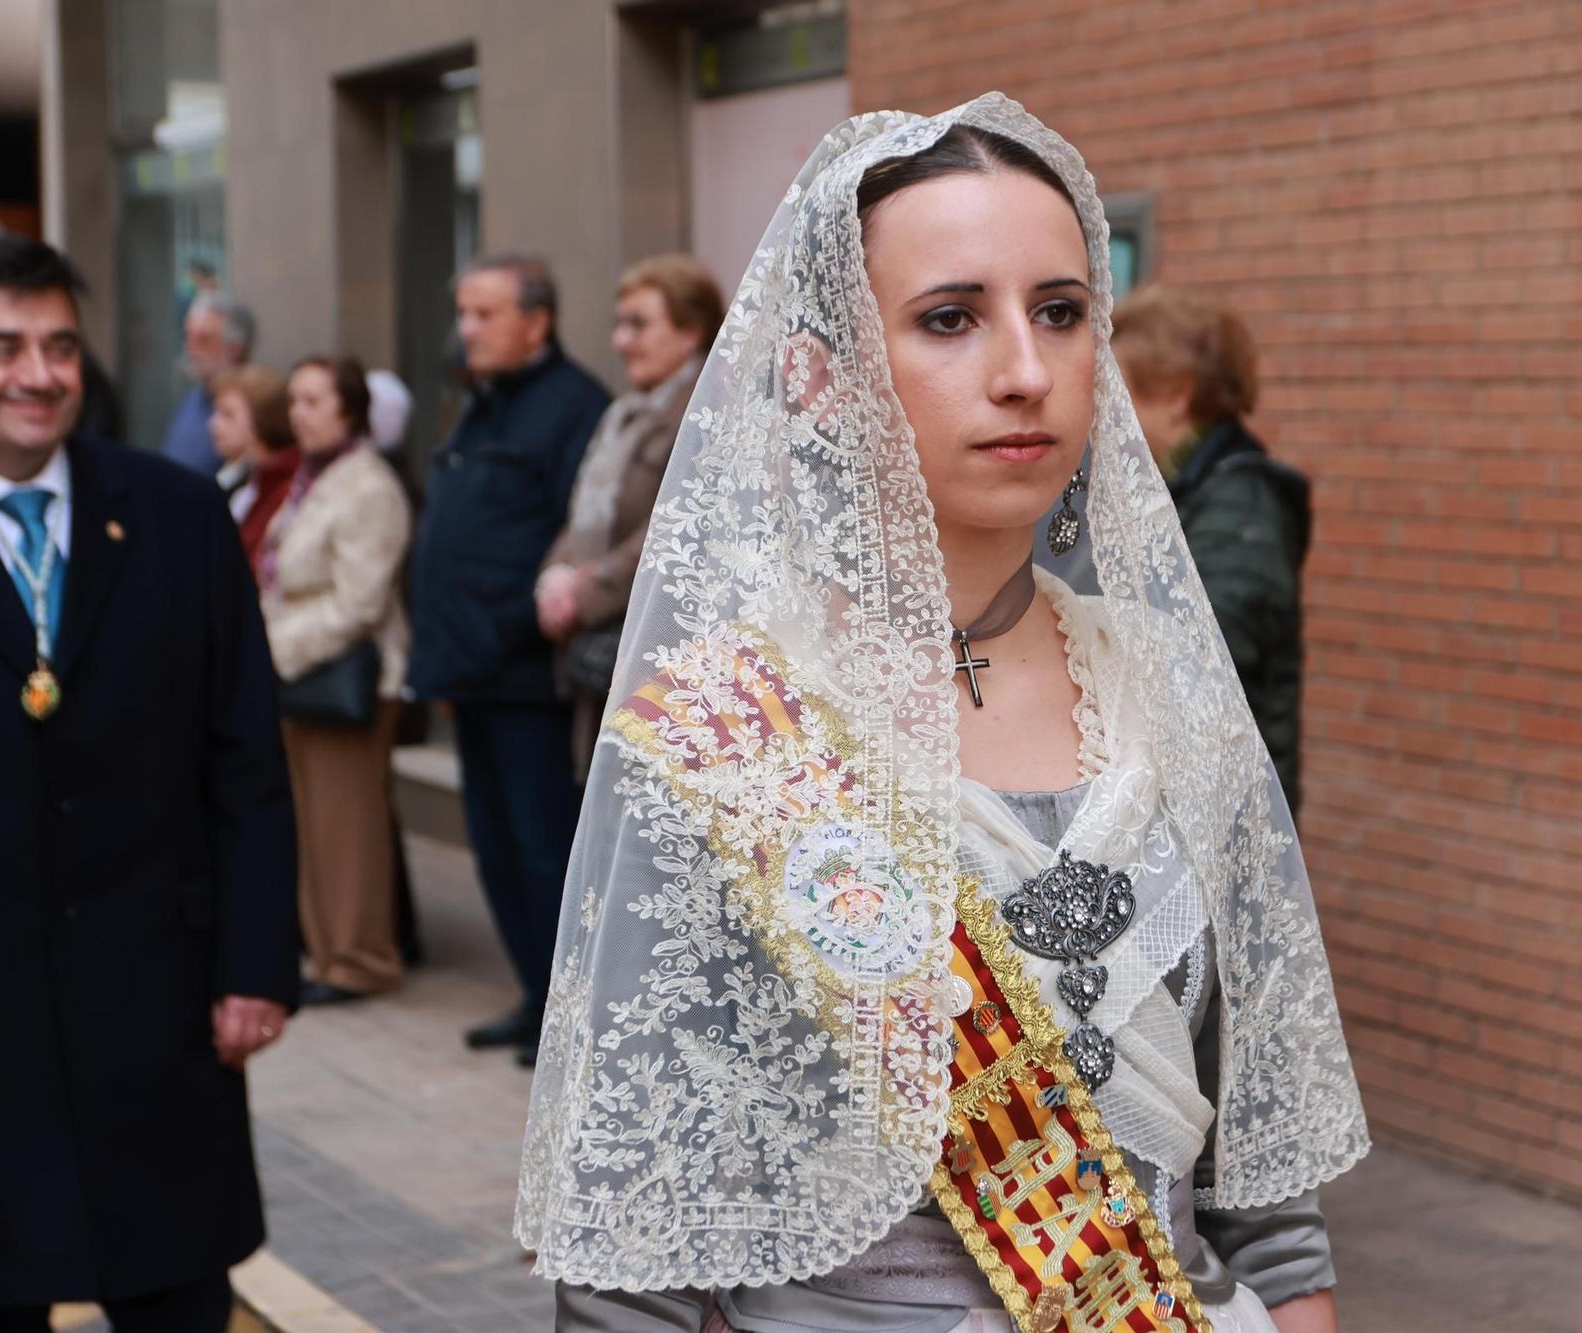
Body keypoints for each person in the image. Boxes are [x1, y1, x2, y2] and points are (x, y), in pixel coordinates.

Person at [517, 96, 1367, 1333]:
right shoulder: (726, 739)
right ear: (817, 374)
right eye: (949, 318)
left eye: (1061, 313)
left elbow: (1266, 1211)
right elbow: (634, 1264)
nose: (1025, 371)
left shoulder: (1163, 690)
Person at [0, 236, 297, 1329]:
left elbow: (243, 758)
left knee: (174, 1286)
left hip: (156, 1004)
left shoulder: (175, 515)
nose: (36, 373)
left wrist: (254, 963)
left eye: (57, 344)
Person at [408, 253, 611, 1066]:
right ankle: (535, 995)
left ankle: (569, 1012)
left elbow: (574, 534)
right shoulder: (481, 403)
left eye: (483, 313)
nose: (467, 328)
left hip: (527, 674)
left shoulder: (573, 406)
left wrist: (499, 634)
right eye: (463, 312)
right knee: (493, 849)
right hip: (470, 672)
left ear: (536, 320)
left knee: (541, 849)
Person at [1112, 285, 1312, 814]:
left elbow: (1204, 670)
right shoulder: (1193, 490)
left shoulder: (1242, 507)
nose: (1105, 413)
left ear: (1177, 395)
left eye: (1118, 391)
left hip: (1226, 814)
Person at [260, 355, 411, 1006]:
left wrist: (271, 648)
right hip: (301, 674)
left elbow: (360, 603)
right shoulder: (314, 478)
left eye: (315, 400)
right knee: (312, 825)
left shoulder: (367, 484)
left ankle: (358, 959)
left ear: (350, 409)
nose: (299, 412)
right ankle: (325, 954)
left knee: (346, 828)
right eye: (294, 400)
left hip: (349, 678)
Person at [536, 253, 724, 778]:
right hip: (601, 649)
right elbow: (581, 513)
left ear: (691, 332)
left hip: (659, 659)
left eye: (638, 325)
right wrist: (553, 576)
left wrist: (584, 589)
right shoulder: (623, 411)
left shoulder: (708, 411)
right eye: (620, 325)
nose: (621, 342)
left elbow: (678, 519)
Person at [208, 364, 300, 573]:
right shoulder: (236, 475)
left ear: (261, 419)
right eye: (216, 412)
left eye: (228, 414)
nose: (213, 424)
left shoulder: (281, 483)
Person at [162, 293, 254, 477]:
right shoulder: (194, 396)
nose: (191, 347)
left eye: (204, 339)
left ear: (235, 348)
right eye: (188, 336)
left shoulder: (253, 405)